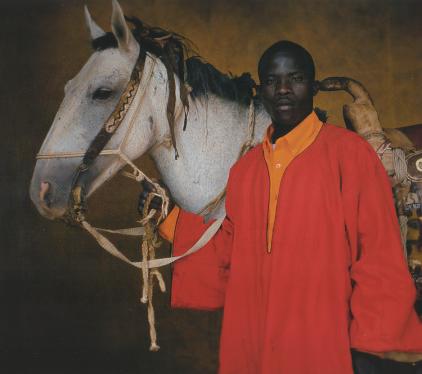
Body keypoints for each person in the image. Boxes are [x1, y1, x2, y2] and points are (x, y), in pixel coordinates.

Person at [139, 40, 422, 373]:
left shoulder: (349, 155)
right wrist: (170, 221)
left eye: (296, 78)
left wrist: (374, 342)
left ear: (314, 87)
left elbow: (377, 249)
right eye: (273, 81)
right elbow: (228, 249)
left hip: (327, 338)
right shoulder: (245, 170)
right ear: (260, 91)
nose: (284, 89)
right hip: (258, 339)